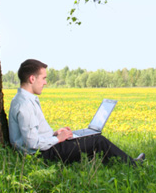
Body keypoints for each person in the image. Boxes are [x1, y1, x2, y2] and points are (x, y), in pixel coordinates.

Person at [9, 59, 146, 166]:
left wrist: (55, 133)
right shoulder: (25, 104)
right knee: (97, 140)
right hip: (43, 155)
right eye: (43, 78)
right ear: (32, 79)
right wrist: (58, 139)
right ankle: (134, 166)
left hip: (45, 149)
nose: (45, 82)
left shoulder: (25, 99)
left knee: (88, 139)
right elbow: (32, 143)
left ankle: (122, 163)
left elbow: (32, 134)